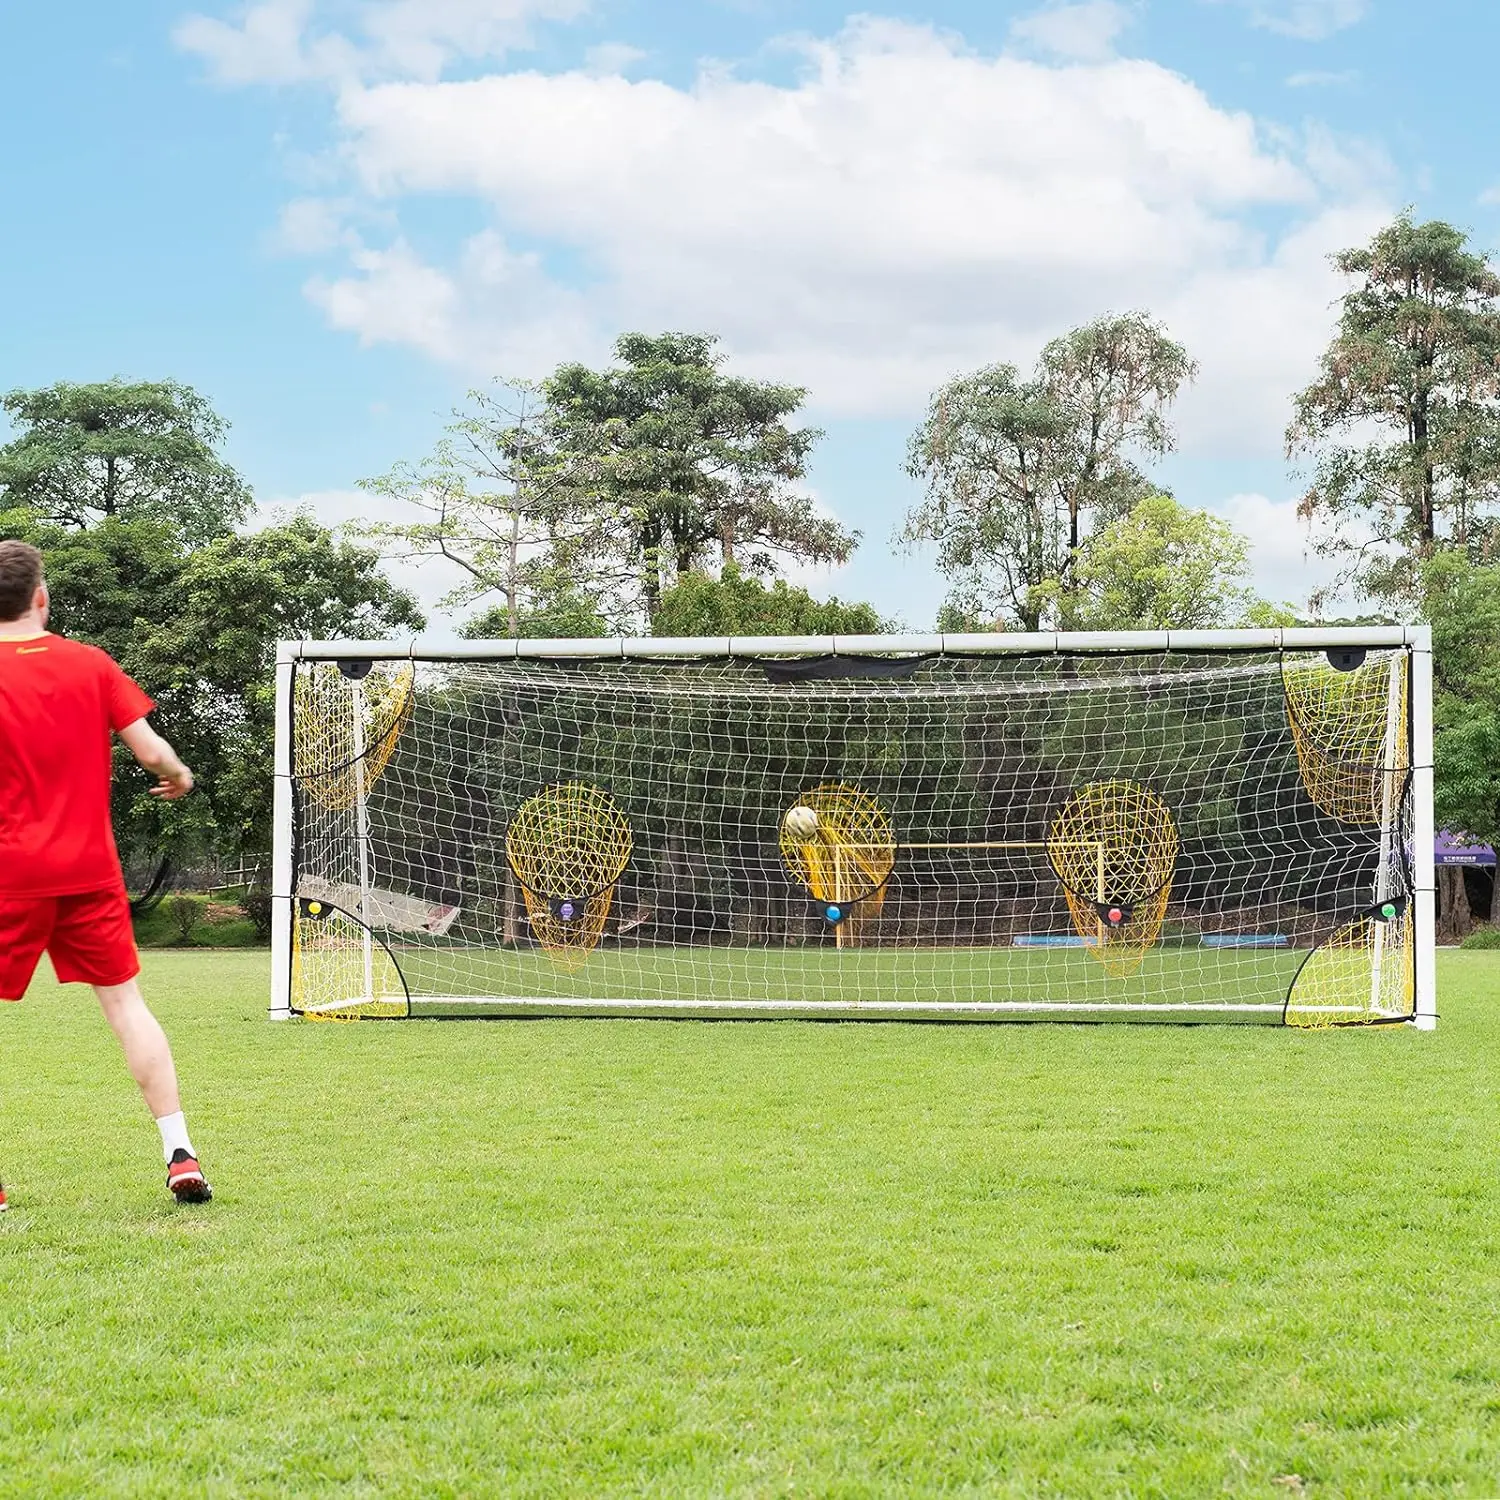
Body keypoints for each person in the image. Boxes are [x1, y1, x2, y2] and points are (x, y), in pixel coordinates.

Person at [0, 540, 211, 1208]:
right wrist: (178, 776)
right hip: (88, 868)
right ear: (42, 597)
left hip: (7, 872)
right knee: (126, 1006)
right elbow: (152, 751)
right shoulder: (89, 664)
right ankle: (180, 1154)